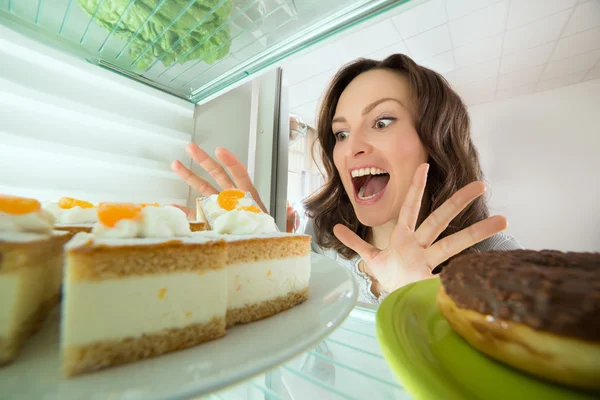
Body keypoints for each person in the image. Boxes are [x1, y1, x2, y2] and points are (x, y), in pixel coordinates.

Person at [171, 54, 521, 304]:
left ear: (436, 140)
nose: (351, 147)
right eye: (340, 134)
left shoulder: (497, 261)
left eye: (382, 122)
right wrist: (264, 247)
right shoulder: (323, 234)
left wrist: (413, 304)